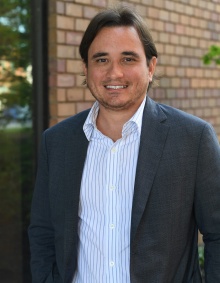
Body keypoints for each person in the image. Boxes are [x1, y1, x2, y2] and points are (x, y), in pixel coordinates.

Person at [28, 5, 220, 283]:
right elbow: (43, 233)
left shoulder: (193, 138)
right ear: (86, 68)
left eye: (128, 59)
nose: (114, 73)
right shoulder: (56, 142)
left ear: (151, 67)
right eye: (101, 59)